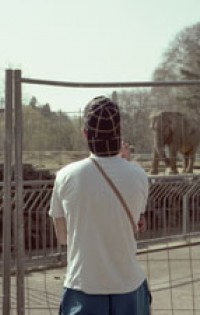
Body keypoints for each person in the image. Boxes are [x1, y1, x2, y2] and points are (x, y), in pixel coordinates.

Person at [49, 96, 151, 315]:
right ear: (119, 134)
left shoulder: (65, 176)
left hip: (83, 285)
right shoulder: (139, 176)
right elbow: (135, 220)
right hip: (129, 287)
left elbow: (63, 237)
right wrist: (125, 163)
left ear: (85, 133)